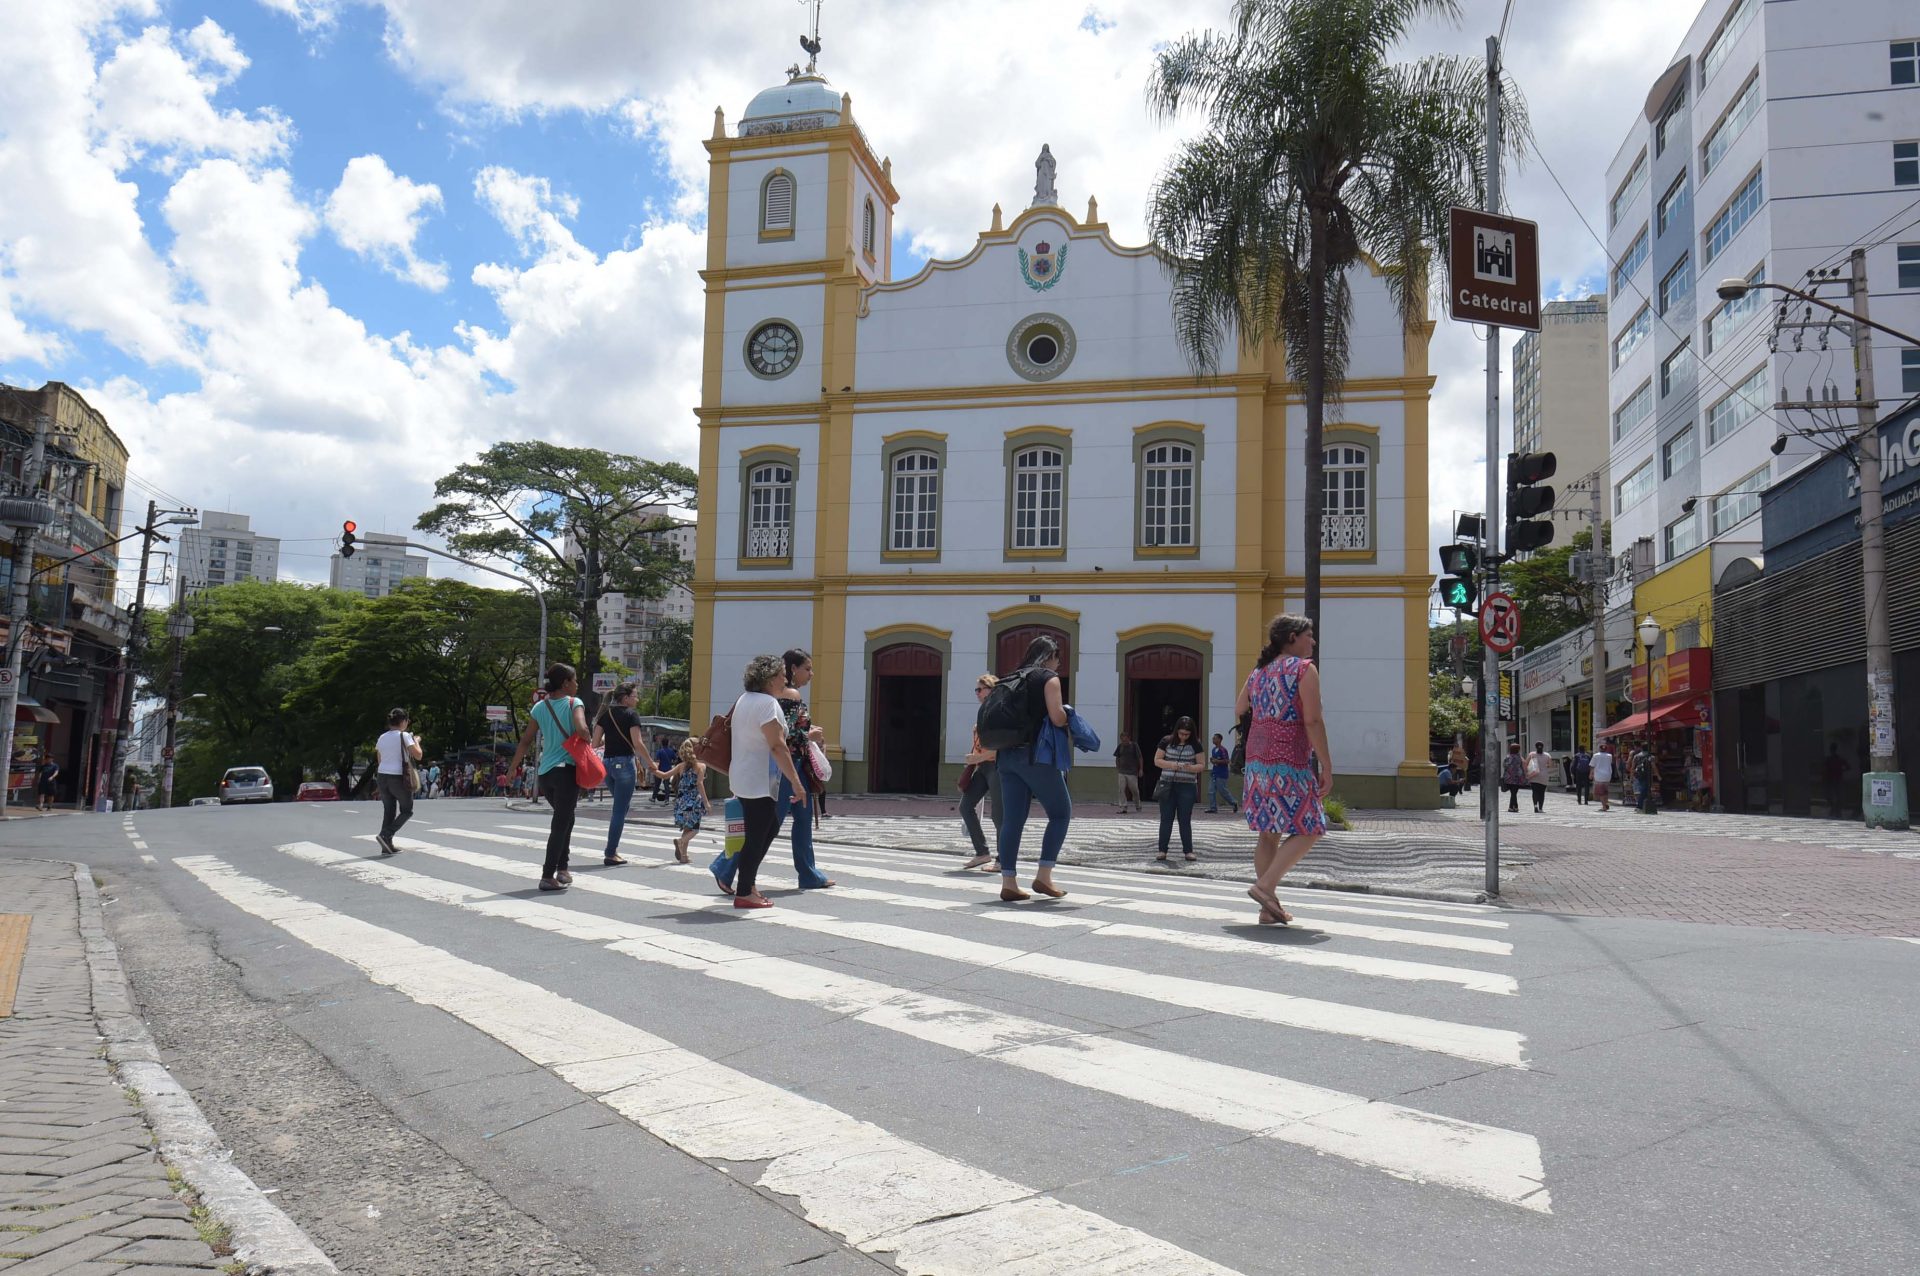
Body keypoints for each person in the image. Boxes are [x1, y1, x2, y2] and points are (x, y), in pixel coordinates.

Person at [1237, 613, 1331, 925]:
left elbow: (1240, 709)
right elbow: (1313, 721)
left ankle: (1268, 907)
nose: (1313, 641)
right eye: (1309, 635)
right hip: (1289, 762)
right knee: (1311, 826)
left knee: (1268, 833)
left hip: (1257, 762)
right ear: (1292, 637)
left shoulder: (1259, 671)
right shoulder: (1304, 669)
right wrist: (1327, 766)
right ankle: (1264, 887)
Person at [713, 654, 809, 909]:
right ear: (768, 679)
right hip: (759, 781)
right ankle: (745, 891)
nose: (785, 679)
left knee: (768, 829)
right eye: (780, 675)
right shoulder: (768, 704)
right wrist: (797, 783)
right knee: (758, 835)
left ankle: (748, 885)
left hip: (743, 776)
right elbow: (778, 746)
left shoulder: (745, 699)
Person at [991, 634, 1072, 902]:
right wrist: (1069, 714)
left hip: (1006, 757)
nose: (1059, 665)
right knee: (1060, 813)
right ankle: (1044, 876)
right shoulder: (1047, 678)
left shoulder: (1010, 678)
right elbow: (1056, 717)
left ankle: (1009, 883)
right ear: (1051, 656)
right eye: (1058, 659)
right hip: (1034, 756)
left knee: (1012, 820)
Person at [506, 665, 590, 891]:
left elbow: (525, 741)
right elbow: (582, 729)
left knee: (567, 817)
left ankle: (563, 869)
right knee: (561, 823)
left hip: (545, 774)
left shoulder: (540, 707)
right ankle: (547, 874)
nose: (577, 684)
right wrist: (588, 738)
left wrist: (513, 768)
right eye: (574, 680)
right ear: (565, 683)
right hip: (566, 772)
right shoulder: (575, 703)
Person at [772, 648, 834, 890]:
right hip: (791, 764)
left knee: (803, 817)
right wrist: (810, 734)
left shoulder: (780, 694)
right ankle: (727, 866)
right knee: (771, 822)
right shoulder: (791, 695)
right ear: (793, 669)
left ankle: (809, 873)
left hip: (793, 764)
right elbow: (784, 734)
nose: (812, 674)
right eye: (807, 669)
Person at [592, 682, 650, 865]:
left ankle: (612, 850)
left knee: (621, 807)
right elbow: (638, 743)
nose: (637, 699)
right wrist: (651, 765)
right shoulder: (631, 715)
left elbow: (594, 743)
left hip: (607, 765)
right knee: (619, 810)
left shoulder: (605, 715)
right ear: (625, 698)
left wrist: (609, 739)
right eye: (635, 696)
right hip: (624, 763)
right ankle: (610, 852)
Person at [959, 674, 1001, 871]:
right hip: (982, 767)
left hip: (995, 766)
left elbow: (1001, 748)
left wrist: (977, 758)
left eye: (980, 689)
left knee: (998, 814)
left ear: (991, 690)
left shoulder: (999, 713)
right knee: (966, 806)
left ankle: (1003, 859)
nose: (977, 693)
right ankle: (982, 853)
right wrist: (973, 760)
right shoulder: (983, 712)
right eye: (976, 689)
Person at [373, 708, 422, 855]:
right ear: (403, 721)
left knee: (389, 810)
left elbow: (379, 759)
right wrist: (416, 741)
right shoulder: (404, 735)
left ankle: (386, 846)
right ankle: (386, 834)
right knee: (407, 810)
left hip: (382, 776)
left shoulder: (382, 737)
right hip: (398, 777)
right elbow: (418, 755)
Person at [1155, 717, 1204, 861]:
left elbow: (1201, 764)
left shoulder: (1196, 744)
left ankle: (1188, 851)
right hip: (1168, 784)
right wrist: (1171, 765)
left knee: (1184, 819)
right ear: (1176, 731)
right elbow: (1157, 760)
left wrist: (1190, 767)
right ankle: (1162, 850)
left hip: (1187, 786)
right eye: (1181, 733)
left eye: (1186, 734)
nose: (1183, 736)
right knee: (1166, 818)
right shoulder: (1166, 741)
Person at [667, 737, 710, 863]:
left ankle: (684, 857)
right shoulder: (701, 766)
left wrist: (654, 769)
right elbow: (699, 784)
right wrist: (706, 802)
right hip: (693, 802)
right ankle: (681, 841)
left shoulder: (681, 766)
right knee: (694, 829)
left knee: (687, 828)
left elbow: (665, 775)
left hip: (681, 801)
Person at [1205, 732, 1238, 814]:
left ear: (1219, 739)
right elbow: (1215, 762)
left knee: (1223, 791)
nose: (1213, 739)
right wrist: (1212, 761)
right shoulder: (1213, 750)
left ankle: (1234, 803)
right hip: (1214, 773)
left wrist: (1217, 761)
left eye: (1215, 738)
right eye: (1213, 738)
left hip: (1222, 774)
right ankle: (1213, 808)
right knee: (1211, 790)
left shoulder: (1223, 750)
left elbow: (1227, 761)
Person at [1113, 733, 1143, 811]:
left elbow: (1140, 758)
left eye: (1125, 740)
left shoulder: (1134, 746)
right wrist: (1117, 766)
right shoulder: (1120, 746)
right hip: (1122, 771)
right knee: (1121, 789)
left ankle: (1138, 805)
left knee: (1134, 790)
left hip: (1132, 772)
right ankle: (1123, 806)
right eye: (1122, 740)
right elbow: (1117, 757)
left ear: (1129, 738)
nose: (1124, 742)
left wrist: (1141, 769)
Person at [1823, 743, 1849, 819]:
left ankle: (1835, 810)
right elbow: (1848, 767)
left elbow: (1848, 767)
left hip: (1834, 779)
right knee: (1835, 795)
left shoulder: (1835, 759)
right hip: (1833, 778)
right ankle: (1835, 810)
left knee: (1835, 795)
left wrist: (1841, 770)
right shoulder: (1835, 759)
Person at [1526, 741, 1552, 813]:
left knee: (1534, 792)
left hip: (1534, 775)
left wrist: (1527, 772)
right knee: (1542, 792)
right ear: (1543, 747)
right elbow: (1550, 765)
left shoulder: (1532, 754)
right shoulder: (1547, 755)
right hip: (1543, 776)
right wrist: (1544, 766)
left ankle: (1535, 805)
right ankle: (1540, 808)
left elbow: (1526, 763)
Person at [1501, 742, 1526, 813]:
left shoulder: (1508, 757)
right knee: (1514, 792)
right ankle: (1514, 807)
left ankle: (1513, 807)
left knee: (1513, 793)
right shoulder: (1520, 758)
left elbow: (1504, 766)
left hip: (1509, 777)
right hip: (1518, 777)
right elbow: (1523, 766)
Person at [652, 735, 677, 802]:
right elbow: (675, 759)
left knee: (657, 784)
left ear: (662, 743)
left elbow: (657, 761)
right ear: (668, 743)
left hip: (660, 770)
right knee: (666, 785)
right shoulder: (671, 751)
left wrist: (655, 770)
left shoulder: (659, 751)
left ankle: (653, 798)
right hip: (668, 770)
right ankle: (666, 799)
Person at [1591, 743, 1614, 811]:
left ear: (1599, 749)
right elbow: (1611, 763)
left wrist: (1591, 774)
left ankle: (1604, 806)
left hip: (1599, 775)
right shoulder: (1610, 756)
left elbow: (1592, 765)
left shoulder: (1595, 755)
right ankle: (1606, 803)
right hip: (1607, 775)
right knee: (1605, 790)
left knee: (1601, 792)